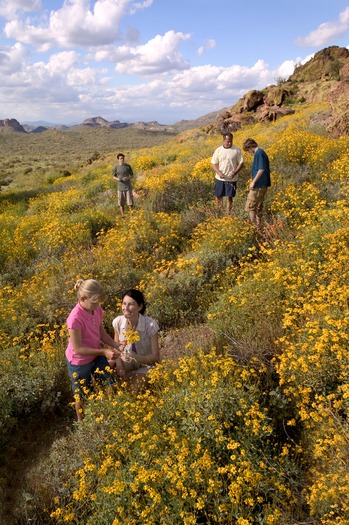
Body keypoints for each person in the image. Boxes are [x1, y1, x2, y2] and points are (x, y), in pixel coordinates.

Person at [65, 279, 122, 422]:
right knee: (82, 395)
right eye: (94, 302)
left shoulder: (96, 310)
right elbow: (78, 349)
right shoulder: (75, 319)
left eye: (98, 303)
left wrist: (115, 344)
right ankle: (81, 424)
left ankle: (110, 415)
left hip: (95, 354)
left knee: (110, 383)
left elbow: (101, 333)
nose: (97, 306)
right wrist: (104, 352)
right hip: (79, 361)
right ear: (82, 298)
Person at [110, 289, 160, 389]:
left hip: (145, 365)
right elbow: (116, 350)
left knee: (134, 389)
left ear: (140, 307)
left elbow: (155, 358)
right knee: (107, 366)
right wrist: (119, 367)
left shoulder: (150, 325)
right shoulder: (118, 322)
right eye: (124, 304)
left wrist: (134, 357)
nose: (126, 308)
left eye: (130, 304)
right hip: (126, 363)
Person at [211, 132, 244, 214]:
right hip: (220, 178)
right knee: (218, 197)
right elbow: (213, 164)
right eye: (228, 141)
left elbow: (241, 163)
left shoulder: (236, 150)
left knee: (229, 198)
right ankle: (219, 213)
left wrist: (235, 172)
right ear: (223, 140)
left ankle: (228, 214)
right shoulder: (218, 150)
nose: (229, 142)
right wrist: (219, 173)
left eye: (231, 141)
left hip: (231, 179)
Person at [242, 138, 271, 228]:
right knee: (258, 206)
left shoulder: (258, 153)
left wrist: (253, 182)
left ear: (250, 147)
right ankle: (259, 225)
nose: (249, 153)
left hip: (259, 184)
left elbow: (261, 169)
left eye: (247, 150)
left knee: (251, 206)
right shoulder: (261, 152)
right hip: (262, 183)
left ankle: (254, 226)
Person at [112, 153, 134, 218]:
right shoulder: (116, 167)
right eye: (121, 158)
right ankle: (123, 216)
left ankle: (131, 216)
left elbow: (132, 175)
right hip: (120, 188)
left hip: (128, 187)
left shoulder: (128, 166)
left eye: (123, 158)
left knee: (130, 203)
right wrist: (117, 179)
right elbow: (113, 176)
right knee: (121, 203)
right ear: (118, 159)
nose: (122, 159)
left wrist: (128, 178)